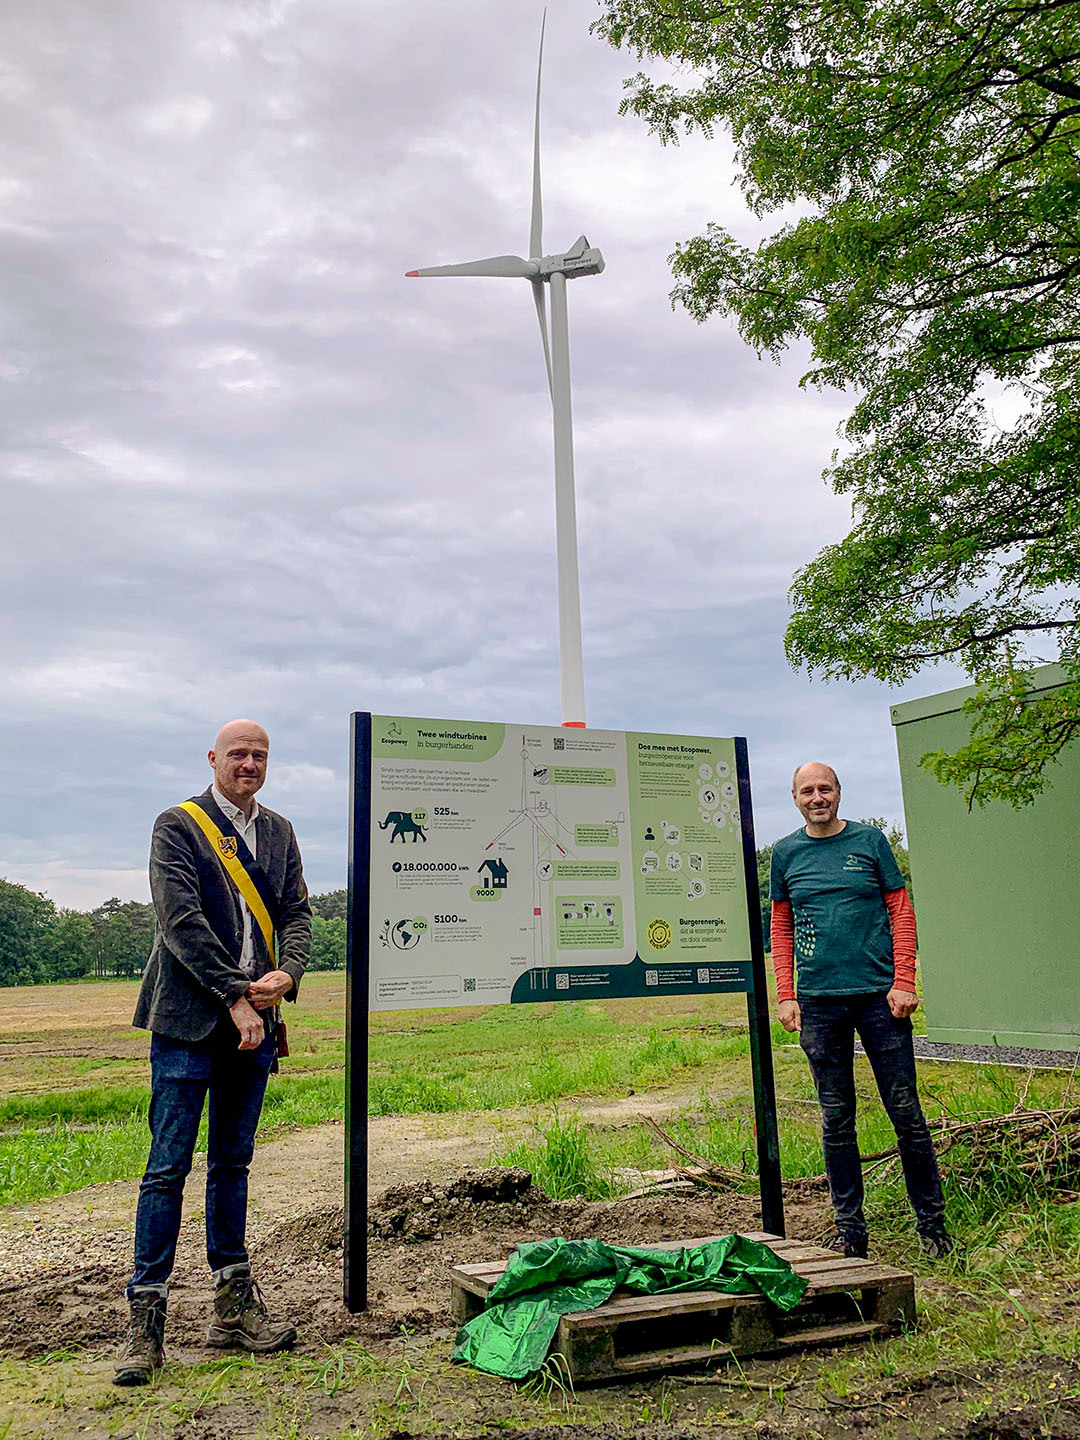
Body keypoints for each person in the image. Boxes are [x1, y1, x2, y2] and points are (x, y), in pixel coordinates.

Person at [114, 720, 312, 1386]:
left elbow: (297, 911)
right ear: (214, 760)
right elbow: (180, 923)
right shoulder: (177, 825)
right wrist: (235, 996)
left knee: (233, 1162)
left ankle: (231, 1308)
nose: (249, 763)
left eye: (259, 755)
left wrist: (292, 972)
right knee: (167, 1167)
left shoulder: (279, 832)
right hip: (187, 1023)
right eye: (238, 754)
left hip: (258, 1018)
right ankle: (146, 1324)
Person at [770, 762, 952, 1261]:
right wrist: (787, 994)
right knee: (836, 1120)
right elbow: (781, 927)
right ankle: (851, 1232)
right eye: (806, 791)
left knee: (907, 1115)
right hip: (820, 1004)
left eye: (824, 788)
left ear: (839, 793)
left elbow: (900, 910)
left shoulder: (870, 843)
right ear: (794, 798)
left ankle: (933, 1229)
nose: (816, 797)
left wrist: (905, 980)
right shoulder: (785, 854)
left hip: (879, 1000)